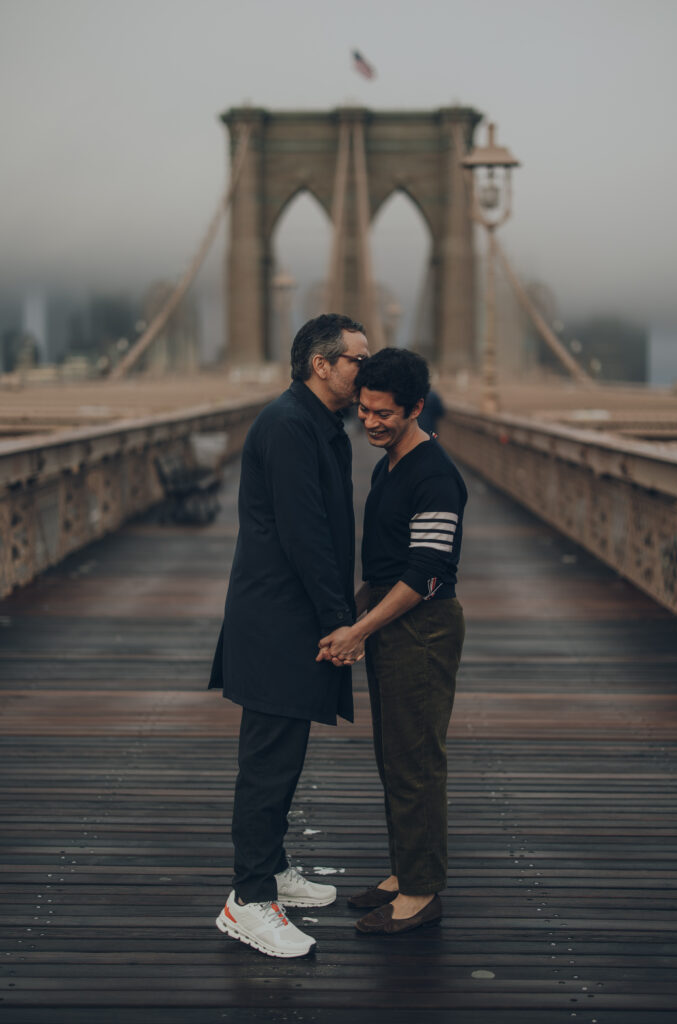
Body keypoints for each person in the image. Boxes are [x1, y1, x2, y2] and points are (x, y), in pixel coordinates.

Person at [209, 313, 369, 958]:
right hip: (279, 619)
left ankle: (270, 868)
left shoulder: (313, 422)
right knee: (268, 764)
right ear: (321, 365)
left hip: (287, 615)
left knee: (284, 755)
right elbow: (305, 534)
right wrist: (341, 622)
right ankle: (247, 900)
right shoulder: (288, 426)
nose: (368, 367)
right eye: (358, 358)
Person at [318, 348, 467, 935]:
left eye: (385, 414)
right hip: (392, 618)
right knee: (393, 758)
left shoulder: (434, 474)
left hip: (423, 628)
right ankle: (406, 871)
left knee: (416, 762)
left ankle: (422, 891)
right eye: (364, 411)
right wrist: (345, 617)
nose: (372, 423)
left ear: (417, 409)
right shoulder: (388, 465)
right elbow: (384, 565)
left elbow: (427, 571)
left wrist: (359, 629)